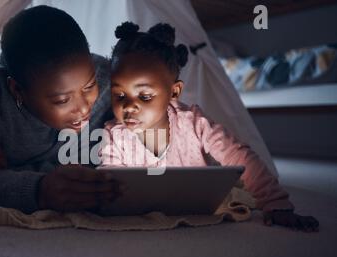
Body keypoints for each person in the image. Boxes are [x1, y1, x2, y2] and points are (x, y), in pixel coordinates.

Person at [99, 22, 319, 231]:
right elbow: (111, 182)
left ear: (174, 92)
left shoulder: (193, 122)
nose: (129, 106)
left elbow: (240, 157)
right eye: (119, 94)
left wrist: (275, 203)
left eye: (145, 96)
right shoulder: (114, 134)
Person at [0, 6, 120, 214]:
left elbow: (145, 156)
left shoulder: (110, 80)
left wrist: (11, 172)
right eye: (62, 100)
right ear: (17, 90)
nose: (83, 107)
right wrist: (38, 190)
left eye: (89, 87)